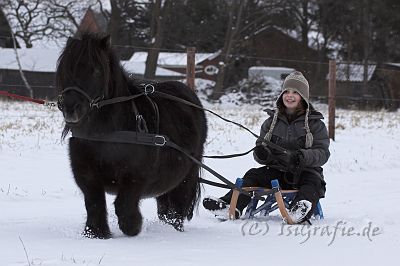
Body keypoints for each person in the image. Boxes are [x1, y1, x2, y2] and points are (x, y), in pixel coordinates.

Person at [203, 71, 330, 224]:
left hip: (306, 171)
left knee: (312, 184)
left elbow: (322, 153)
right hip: (277, 171)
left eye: (295, 92)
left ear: (303, 97)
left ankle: (300, 209)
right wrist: (262, 154)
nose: (289, 95)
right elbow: (260, 148)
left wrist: (301, 156)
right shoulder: (271, 123)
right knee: (252, 176)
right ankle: (229, 205)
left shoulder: (315, 124)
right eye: (286, 91)